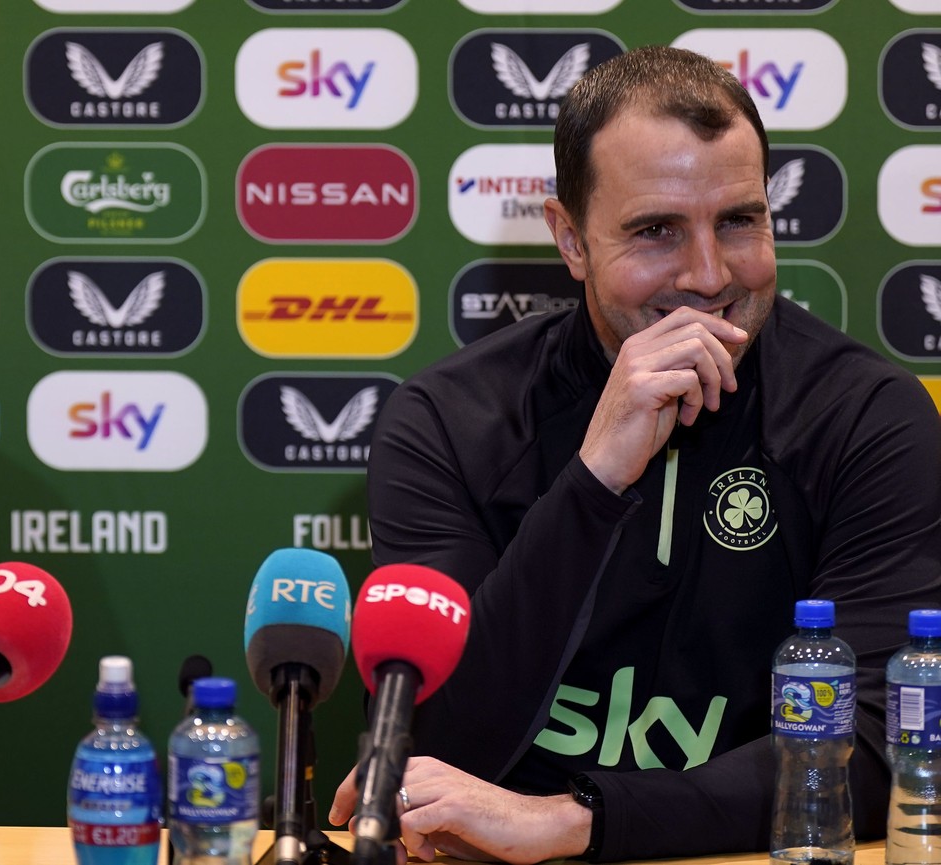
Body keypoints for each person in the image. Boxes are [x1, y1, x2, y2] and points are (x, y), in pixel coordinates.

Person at [331, 45, 941, 862]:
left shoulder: (869, 417)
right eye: (655, 230)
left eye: (739, 220)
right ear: (571, 240)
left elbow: (877, 747)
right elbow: (440, 740)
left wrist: (577, 821)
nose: (708, 273)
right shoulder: (447, 421)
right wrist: (594, 479)